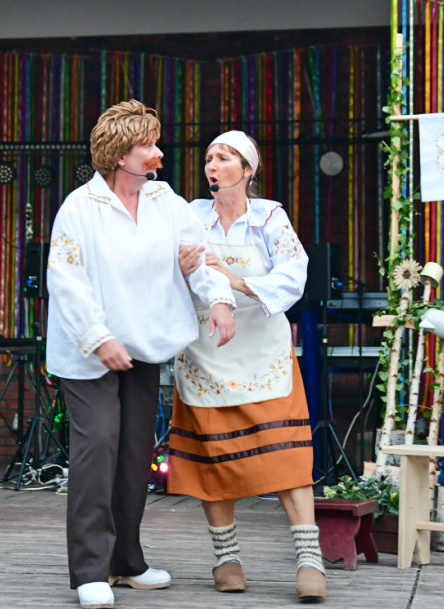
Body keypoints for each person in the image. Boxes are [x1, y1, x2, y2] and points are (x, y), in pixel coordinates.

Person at [46, 100, 237, 609]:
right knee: (98, 449)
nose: (157, 154)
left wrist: (217, 300)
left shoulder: (166, 202)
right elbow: (66, 280)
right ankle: (89, 569)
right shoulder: (79, 207)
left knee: (134, 456)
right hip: (89, 354)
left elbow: (196, 259)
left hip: (143, 346)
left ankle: (125, 561)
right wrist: (97, 337)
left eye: (154, 143)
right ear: (117, 155)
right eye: (146, 146)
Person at [172, 131, 325, 601]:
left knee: (288, 457)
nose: (212, 166)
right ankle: (227, 558)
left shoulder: (269, 218)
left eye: (224, 158)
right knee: (214, 458)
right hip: (206, 354)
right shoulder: (190, 216)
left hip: (263, 353)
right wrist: (178, 266)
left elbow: (294, 275)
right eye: (209, 158)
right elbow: (170, 270)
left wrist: (236, 281)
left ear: (248, 169)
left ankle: (309, 559)